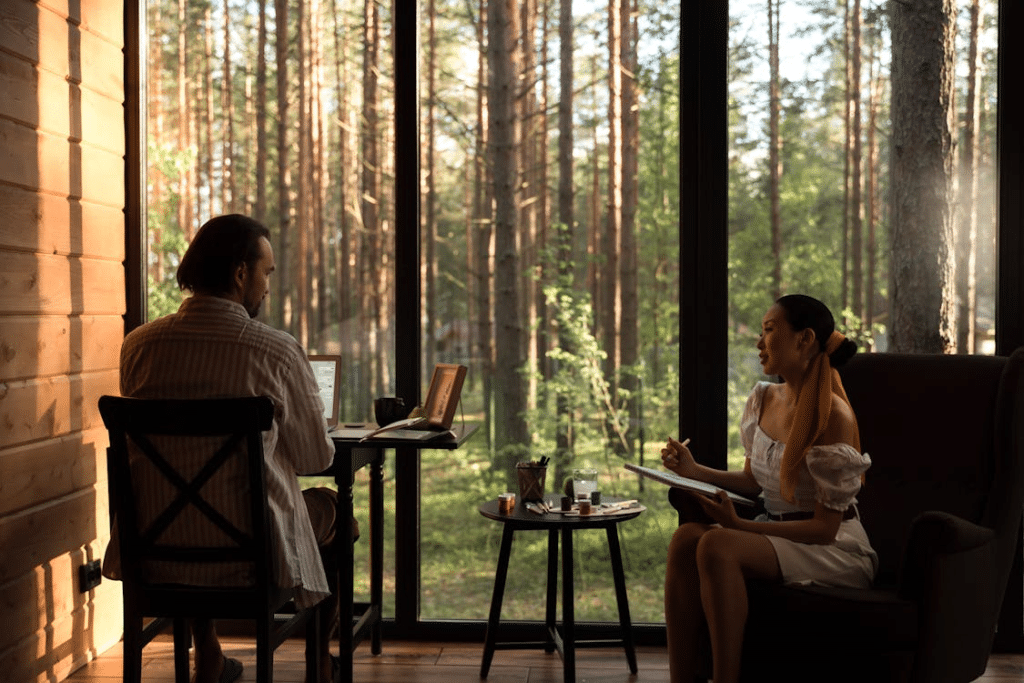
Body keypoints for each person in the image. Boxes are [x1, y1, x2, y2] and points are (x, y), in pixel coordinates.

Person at [102, 214, 343, 683]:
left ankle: (208, 652)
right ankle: (321, 666)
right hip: (254, 557)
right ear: (240, 273)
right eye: (266, 273)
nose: (267, 286)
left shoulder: (138, 347)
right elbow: (317, 459)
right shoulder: (274, 350)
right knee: (336, 512)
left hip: (156, 550)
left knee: (195, 505)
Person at [661, 294, 878, 683]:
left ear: (804, 339)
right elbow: (752, 481)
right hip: (779, 530)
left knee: (716, 543)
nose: (759, 342)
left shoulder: (834, 416)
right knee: (685, 540)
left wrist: (739, 526)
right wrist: (694, 470)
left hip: (832, 548)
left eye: (769, 330)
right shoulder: (763, 398)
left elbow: (823, 529)